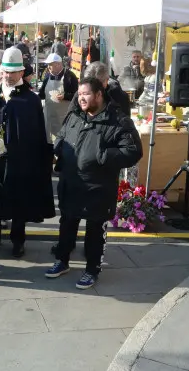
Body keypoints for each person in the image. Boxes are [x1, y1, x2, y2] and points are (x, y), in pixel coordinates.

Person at [46, 77, 143, 289]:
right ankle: (62, 261)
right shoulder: (74, 116)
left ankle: (92, 270)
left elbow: (133, 151)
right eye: (80, 94)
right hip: (71, 182)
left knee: (94, 231)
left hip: (98, 187)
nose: (81, 98)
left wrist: (102, 156)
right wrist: (57, 153)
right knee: (67, 224)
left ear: (99, 95)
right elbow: (62, 138)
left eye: (86, 94)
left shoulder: (118, 120)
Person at [0, 48, 55, 257]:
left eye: (13, 72)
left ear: (21, 73)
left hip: (20, 161)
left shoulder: (30, 99)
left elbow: (35, 133)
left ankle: (17, 239)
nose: (8, 76)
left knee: (19, 200)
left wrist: (16, 149)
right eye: (5, 72)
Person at [39, 53, 79, 142]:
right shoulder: (47, 76)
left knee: (62, 140)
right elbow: (41, 94)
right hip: (49, 117)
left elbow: (77, 95)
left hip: (63, 118)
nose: (48, 67)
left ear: (58, 64)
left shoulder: (70, 77)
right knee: (49, 140)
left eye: (50, 65)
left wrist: (65, 96)